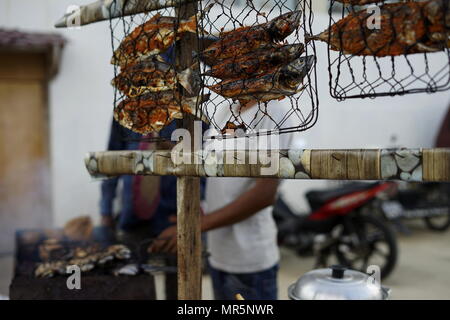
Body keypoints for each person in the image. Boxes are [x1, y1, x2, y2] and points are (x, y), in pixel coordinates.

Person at [150, 98, 296, 300]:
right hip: (218, 255)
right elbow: (205, 163)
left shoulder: (272, 111)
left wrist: (192, 226)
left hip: (249, 263)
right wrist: (161, 138)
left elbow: (264, 194)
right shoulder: (225, 110)